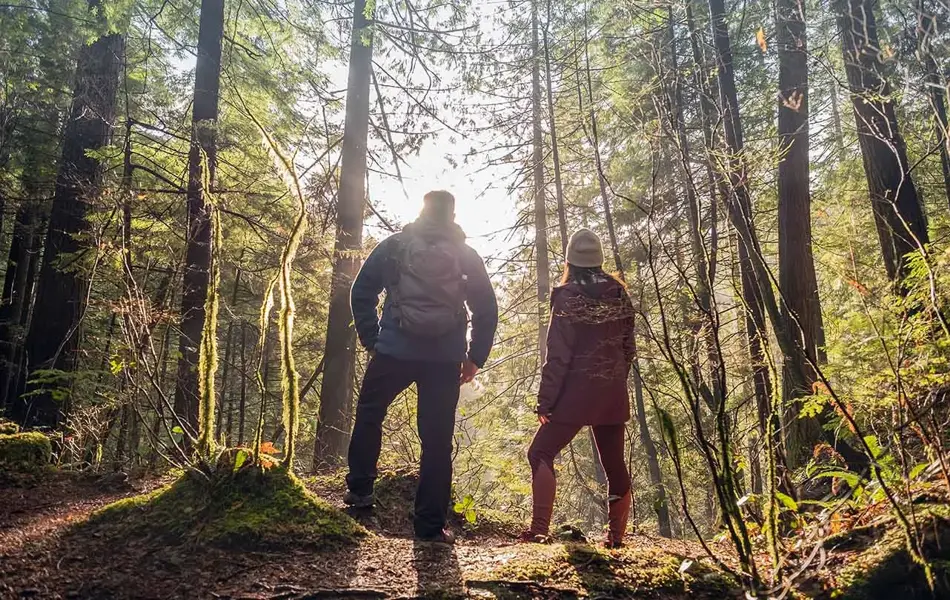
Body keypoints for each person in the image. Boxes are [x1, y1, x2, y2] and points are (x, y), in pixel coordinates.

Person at [344, 190, 499, 544]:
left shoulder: (395, 246)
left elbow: (362, 292)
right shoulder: (465, 255)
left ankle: (360, 492)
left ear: (422, 210)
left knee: (370, 413)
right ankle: (430, 526)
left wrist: (372, 338)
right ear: (452, 214)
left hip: (394, 351)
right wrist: (475, 357)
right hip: (444, 359)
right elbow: (486, 309)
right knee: (437, 441)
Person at [521, 228, 635, 548]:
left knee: (540, 452)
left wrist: (546, 402)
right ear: (599, 260)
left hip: (573, 394)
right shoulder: (618, 293)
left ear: (570, 260)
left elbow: (558, 355)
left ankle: (540, 529)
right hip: (610, 392)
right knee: (614, 464)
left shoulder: (568, 297)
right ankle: (615, 538)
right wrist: (613, 380)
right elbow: (628, 348)